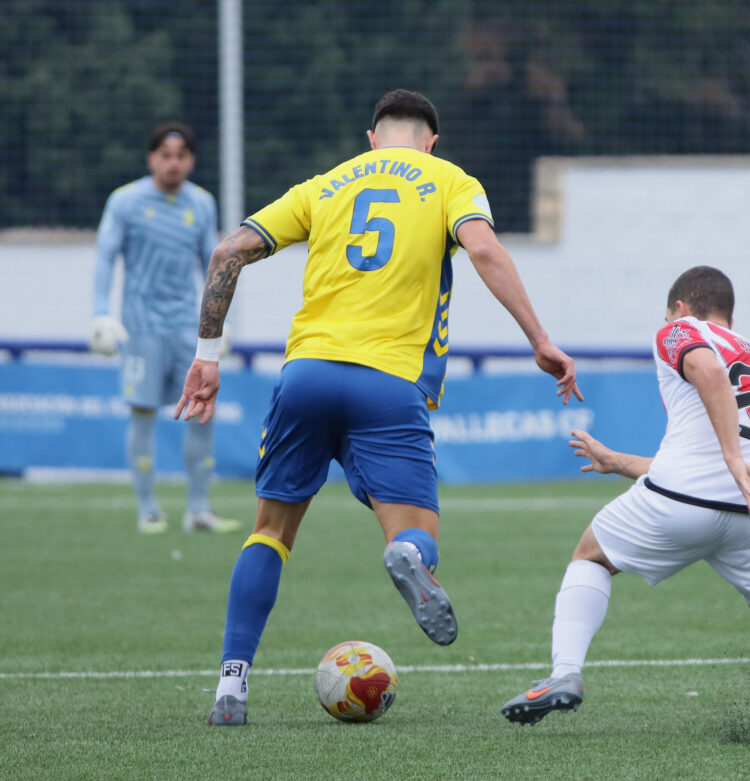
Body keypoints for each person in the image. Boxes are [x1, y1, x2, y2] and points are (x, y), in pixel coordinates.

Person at [174, 89, 584, 726]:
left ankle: (232, 683)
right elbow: (482, 250)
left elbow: (228, 252)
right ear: (431, 141)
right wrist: (541, 340)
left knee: (270, 532)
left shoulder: (326, 184)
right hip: (389, 384)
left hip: (306, 373)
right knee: (416, 534)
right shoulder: (451, 181)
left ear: (372, 138)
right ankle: (409, 558)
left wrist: (206, 357)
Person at [501, 265, 750, 736]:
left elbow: (708, 379)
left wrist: (730, 456)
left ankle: (565, 672)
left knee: (591, 555)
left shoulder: (678, 331)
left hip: (688, 500)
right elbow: (703, 457)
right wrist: (618, 461)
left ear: (681, 307)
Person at [90, 121, 241, 536]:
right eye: (165, 155)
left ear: (190, 160)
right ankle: (148, 510)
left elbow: (213, 266)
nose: (173, 163)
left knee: (201, 412)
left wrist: (219, 325)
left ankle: (198, 510)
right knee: (142, 414)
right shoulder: (125, 201)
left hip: (186, 329)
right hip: (141, 328)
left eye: (181, 156)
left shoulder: (202, 203)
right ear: (152, 158)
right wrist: (100, 313)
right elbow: (105, 257)